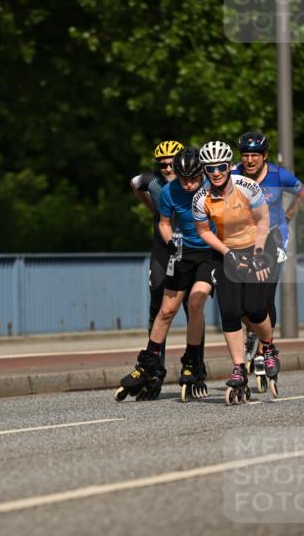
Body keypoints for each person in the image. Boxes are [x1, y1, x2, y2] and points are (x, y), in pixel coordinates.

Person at [115, 147, 216, 402]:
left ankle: (194, 362)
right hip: (181, 251)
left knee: (196, 303)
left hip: (210, 252)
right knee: (165, 309)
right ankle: (148, 364)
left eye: (193, 178)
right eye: (183, 178)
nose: (188, 184)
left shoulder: (214, 186)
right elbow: (163, 221)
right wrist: (170, 241)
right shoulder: (168, 189)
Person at [192, 140, 280, 403]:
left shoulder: (247, 187)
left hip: (259, 246)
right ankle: (239, 369)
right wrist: (226, 252)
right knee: (230, 311)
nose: (216, 172)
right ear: (204, 170)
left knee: (255, 309)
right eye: (210, 168)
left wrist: (259, 253)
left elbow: (264, 220)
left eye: (221, 167)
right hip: (227, 251)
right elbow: (204, 231)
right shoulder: (201, 198)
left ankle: (268, 347)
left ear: (229, 166)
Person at [233, 130, 304, 365]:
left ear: (264, 155)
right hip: (244, 240)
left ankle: (262, 353)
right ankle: (253, 330)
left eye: (255, 155)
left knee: (265, 296)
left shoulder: (278, 175)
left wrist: (288, 216)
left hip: (273, 238)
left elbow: (302, 191)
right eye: (245, 155)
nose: (249, 160)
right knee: (240, 302)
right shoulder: (233, 174)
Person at [130, 140, 189, 352]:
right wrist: (152, 208)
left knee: (191, 304)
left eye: (172, 164)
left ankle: (194, 360)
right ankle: (154, 357)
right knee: (157, 299)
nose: (168, 169)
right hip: (163, 247)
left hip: (189, 246)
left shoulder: (194, 179)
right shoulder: (152, 181)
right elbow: (135, 184)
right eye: (163, 165)